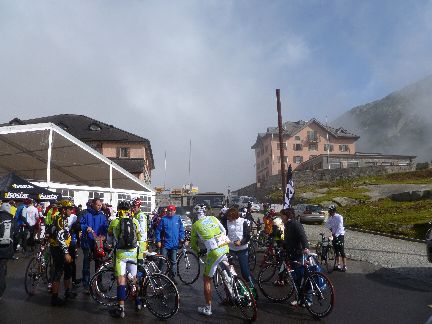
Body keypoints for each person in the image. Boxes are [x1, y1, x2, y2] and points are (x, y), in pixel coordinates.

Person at [190, 204, 230, 316]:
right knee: (227, 267)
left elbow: (193, 244)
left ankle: (208, 308)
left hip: (213, 252)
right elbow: (224, 230)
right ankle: (234, 285)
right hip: (224, 246)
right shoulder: (213, 218)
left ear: (195, 214)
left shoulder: (195, 225)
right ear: (205, 211)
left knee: (206, 279)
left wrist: (198, 251)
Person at [107, 200, 141, 318]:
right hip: (133, 254)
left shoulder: (114, 222)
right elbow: (139, 236)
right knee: (134, 279)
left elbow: (109, 239)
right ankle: (138, 303)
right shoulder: (135, 221)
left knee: (121, 280)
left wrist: (110, 244)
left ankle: (121, 309)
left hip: (120, 255)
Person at [220, 207, 257, 299]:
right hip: (230, 249)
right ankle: (230, 295)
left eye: (230, 216)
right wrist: (222, 242)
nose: (228, 218)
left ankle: (252, 291)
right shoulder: (226, 222)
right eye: (227, 216)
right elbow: (222, 234)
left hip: (242, 249)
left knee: (245, 271)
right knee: (229, 272)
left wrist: (241, 242)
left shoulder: (243, 222)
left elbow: (248, 236)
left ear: (234, 216)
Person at [46, 200, 77, 306]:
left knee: (68, 270)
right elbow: (60, 238)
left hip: (65, 248)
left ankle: (67, 292)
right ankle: (54, 298)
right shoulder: (59, 219)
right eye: (70, 209)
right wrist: (66, 252)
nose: (72, 211)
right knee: (58, 271)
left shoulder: (64, 218)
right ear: (64, 210)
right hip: (58, 249)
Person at [279, 208, 310, 307]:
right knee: (296, 278)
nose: (281, 217)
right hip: (291, 254)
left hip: (298, 254)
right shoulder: (287, 225)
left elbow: (302, 236)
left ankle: (308, 299)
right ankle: (299, 299)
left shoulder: (295, 224)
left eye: (282, 215)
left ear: (286, 215)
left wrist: (305, 247)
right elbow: (288, 239)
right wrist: (282, 246)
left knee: (303, 278)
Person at [80, 198, 108, 293]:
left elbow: (105, 227)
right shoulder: (85, 213)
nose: (100, 207)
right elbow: (80, 224)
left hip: (98, 243)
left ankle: (98, 284)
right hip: (87, 242)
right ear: (93, 204)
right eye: (98, 205)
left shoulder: (102, 215)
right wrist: (85, 227)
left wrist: (104, 236)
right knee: (86, 264)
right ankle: (86, 285)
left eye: (100, 205)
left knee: (99, 264)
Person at [155, 205, 185, 283]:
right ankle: (158, 275)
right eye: (169, 211)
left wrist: (182, 237)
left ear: (175, 211)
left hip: (174, 244)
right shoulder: (163, 219)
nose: (170, 212)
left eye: (172, 211)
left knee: (173, 262)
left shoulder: (178, 218)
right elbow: (158, 231)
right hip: (165, 244)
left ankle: (172, 277)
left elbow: (181, 229)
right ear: (167, 211)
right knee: (162, 260)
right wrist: (158, 241)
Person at [0, 210, 17, 299]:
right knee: (2, 268)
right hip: (7, 248)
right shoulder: (12, 220)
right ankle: (1, 290)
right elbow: (16, 234)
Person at [325, 205, 347, 272]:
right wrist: (330, 229)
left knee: (341, 250)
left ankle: (345, 266)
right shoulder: (330, 218)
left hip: (340, 235)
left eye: (330, 212)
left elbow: (340, 227)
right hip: (334, 235)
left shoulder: (339, 217)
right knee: (336, 250)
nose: (329, 213)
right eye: (329, 212)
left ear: (333, 211)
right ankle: (338, 265)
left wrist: (336, 235)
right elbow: (326, 224)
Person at [131, 198, 148, 263]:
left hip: (141, 242)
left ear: (139, 207)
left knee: (139, 263)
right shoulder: (135, 215)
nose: (133, 209)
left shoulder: (141, 216)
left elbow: (142, 230)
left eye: (134, 207)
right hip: (136, 241)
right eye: (132, 207)